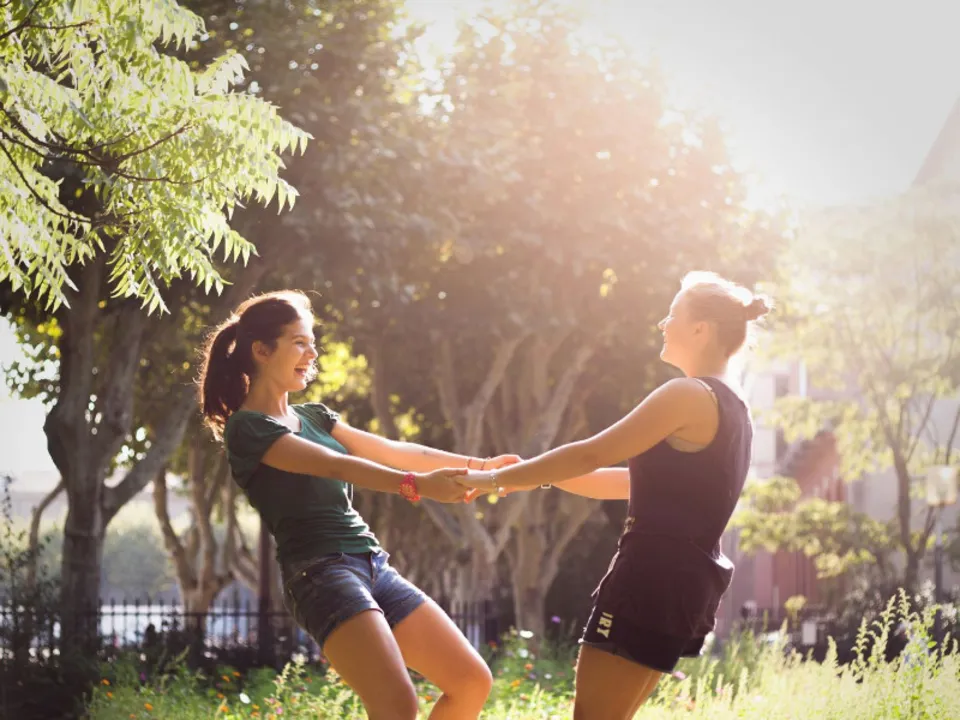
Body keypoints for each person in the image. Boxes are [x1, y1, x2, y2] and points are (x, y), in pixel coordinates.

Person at [461, 271, 770, 719]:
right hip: (685, 584)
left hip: (649, 576)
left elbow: (590, 452)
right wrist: (526, 473)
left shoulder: (687, 394)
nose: (663, 324)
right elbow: (625, 481)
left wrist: (494, 482)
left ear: (701, 329)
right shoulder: (734, 407)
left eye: (673, 314)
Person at [198, 290, 517, 720]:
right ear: (261, 350)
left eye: (313, 342)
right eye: (299, 342)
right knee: (396, 703)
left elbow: (393, 450)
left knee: (470, 681)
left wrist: (479, 465)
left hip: (372, 565)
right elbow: (334, 465)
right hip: (319, 573)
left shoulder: (314, 417)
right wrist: (418, 487)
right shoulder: (248, 428)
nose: (312, 353)